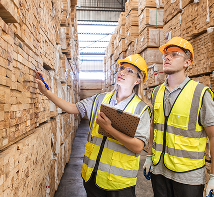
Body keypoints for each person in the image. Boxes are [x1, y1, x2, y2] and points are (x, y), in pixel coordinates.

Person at [35, 54, 151, 197]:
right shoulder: (100, 99)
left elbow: (138, 147)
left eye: (130, 71)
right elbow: (72, 108)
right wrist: (46, 92)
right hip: (91, 177)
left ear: (138, 80)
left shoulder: (141, 109)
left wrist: (109, 129)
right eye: (122, 68)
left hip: (119, 185)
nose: (122, 72)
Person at [143, 36, 214, 197]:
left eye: (175, 54)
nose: (167, 57)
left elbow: (213, 136)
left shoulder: (200, 93)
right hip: (159, 170)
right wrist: (148, 156)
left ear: (187, 63)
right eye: (165, 54)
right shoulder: (157, 92)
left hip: (188, 175)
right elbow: (154, 126)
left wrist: (213, 177)